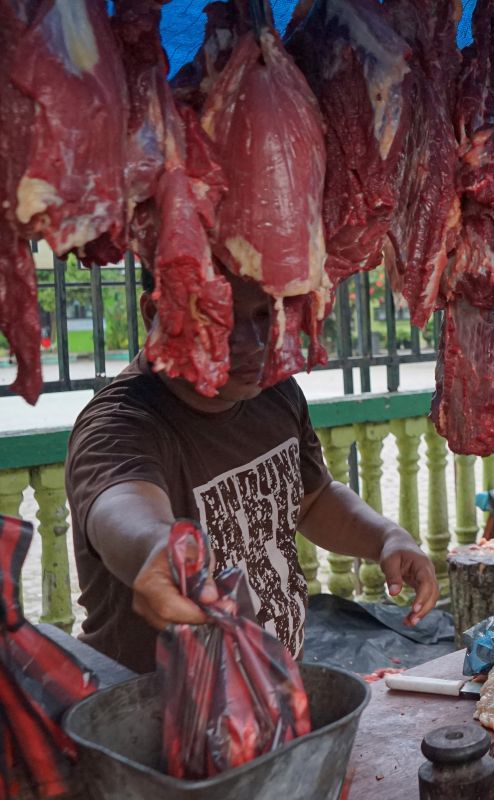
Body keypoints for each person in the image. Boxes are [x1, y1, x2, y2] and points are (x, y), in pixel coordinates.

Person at [65, 267, 438, 673]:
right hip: (155, 714)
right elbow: (121, 505)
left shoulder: (275, 391)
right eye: (219, 315)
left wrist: (385, 537)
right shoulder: (119, 424)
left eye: (264, 314)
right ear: (153, 312)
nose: (251, 342)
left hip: (268, 694)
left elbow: (312, 501)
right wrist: (157, 548)